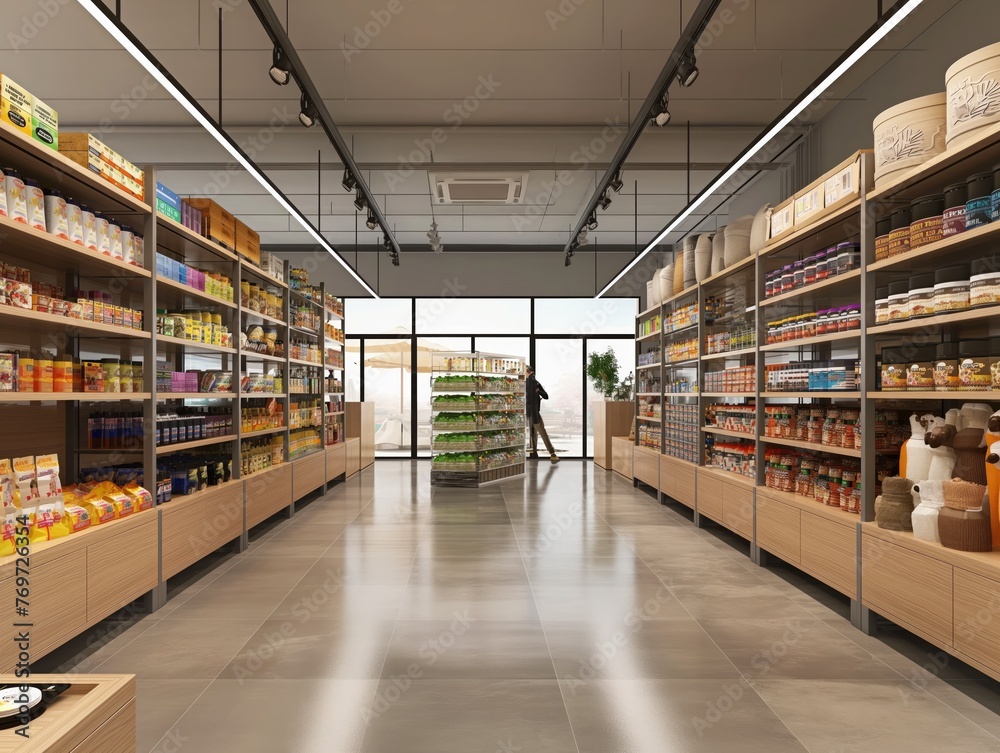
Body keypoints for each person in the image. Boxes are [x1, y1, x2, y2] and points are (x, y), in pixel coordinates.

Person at [525, 365, 559, 463]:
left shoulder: (532, 382)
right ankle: (540, 454)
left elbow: (546, 396)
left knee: (538, 433)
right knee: (536, 433)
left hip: (531, 413)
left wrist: (538, 391)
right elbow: (545, 396)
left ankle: (551, 453)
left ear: (528, 371)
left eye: (524, 371)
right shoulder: (534, 382)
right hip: (532, 413)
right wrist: (539, 391)